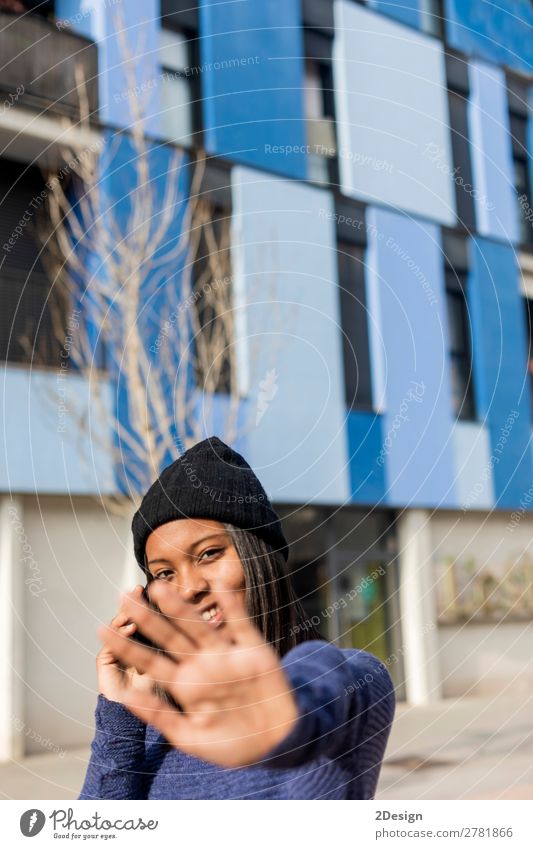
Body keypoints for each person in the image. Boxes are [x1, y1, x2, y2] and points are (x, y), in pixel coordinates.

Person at [79, 436, 395, 800]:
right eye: (164, 573)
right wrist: (121, 711)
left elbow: (322, 686)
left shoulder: (350, 679)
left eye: (209, 553)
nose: (187, 588)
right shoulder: (155, 729)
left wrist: (281, 721)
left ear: (258, 555)